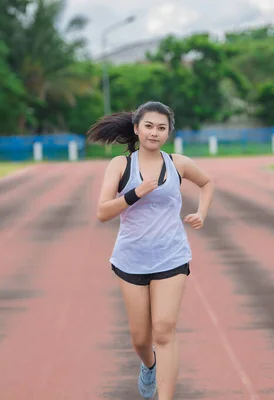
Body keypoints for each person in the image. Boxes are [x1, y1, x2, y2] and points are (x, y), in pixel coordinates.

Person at [87, 101, 214, 399]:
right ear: (136, 129)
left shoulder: (178, 164)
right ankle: (149, 364)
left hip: (171, 256)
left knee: (164, 330)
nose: (154, 133)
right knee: (141, 339)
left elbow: (207, 183)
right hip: (131, 260)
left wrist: (202, 213)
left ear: (168, 133)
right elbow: (103, 212)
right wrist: (134, 193)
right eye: (149, 126)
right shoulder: (121, 165)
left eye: (161, 128)